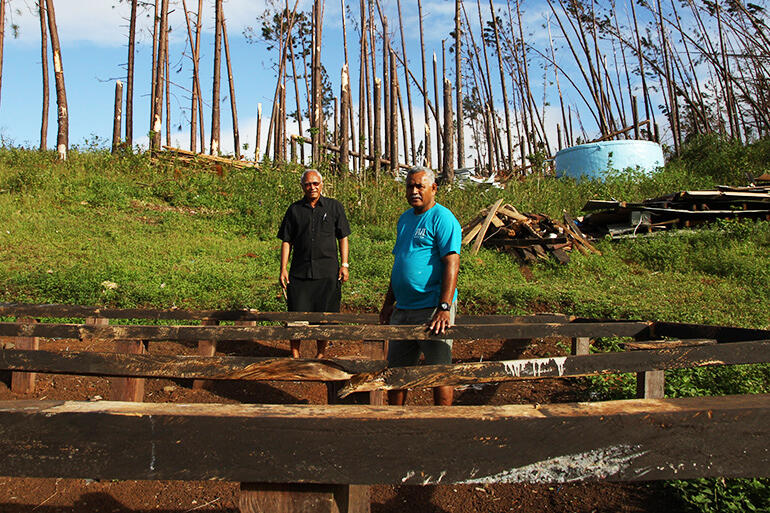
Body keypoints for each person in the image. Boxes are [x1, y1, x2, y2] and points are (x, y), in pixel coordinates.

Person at [379, 166, 461, 406]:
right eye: (409, 186)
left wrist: (444, 307)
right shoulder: (404, 219)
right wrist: (388, 303)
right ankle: (397, 423)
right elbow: (400, 263)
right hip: (403, 309)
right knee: (397, 372)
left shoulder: (443, 218)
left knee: (439, 371)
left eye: (419, 186)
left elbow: (451, 263)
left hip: (431, 310)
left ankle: (442, 425)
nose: (414, 191)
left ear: (433, 189)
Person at [278, 169, 351, 358]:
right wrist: (283, 268)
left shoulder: (334, 207)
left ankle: (321, 353)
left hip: (328, 272)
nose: (312, 187)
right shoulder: (294, 210)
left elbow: (343, 237)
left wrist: (344, 265)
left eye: (315, 184)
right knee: (296, 316)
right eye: (308, 184)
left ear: (322, 184)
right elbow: (287, 240)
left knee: (325, 316)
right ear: (302, 187)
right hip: (300, 272)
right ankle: (295, 355)